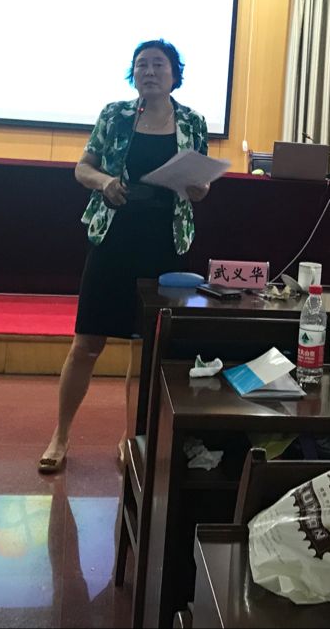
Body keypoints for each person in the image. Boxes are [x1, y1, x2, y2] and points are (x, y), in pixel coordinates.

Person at [40, 40, 211, 473]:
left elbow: (199, 185)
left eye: (158, 64)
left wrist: (199, 188)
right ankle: (61, 434)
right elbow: (83, 168)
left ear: (175, 74)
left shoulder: (192, 121)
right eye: (141, 65)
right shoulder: (115, 115)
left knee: (148, 347)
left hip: (164, 243)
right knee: (86, 343)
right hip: (114, 237)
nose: (149, 71)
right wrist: (103, 183)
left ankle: (132, 436)